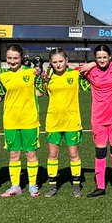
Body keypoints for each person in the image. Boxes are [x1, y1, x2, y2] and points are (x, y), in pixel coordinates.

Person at [76, 44, 112, 197]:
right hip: (98, 119)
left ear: (110, 57)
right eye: (98, 58)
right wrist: (90, 64)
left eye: (104, 57)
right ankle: (100, 187)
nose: (101, 60)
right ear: (95, 58)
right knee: (100, 153)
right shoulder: (90, 71)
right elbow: (66, 69)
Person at [0, 43, 44, 197]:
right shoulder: (2, 76)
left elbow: (40, 93)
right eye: (9, 58)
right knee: (13, 155)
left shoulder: (31, 72)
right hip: (10, 121)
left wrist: (40, 76)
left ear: (22, 58)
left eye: (15, 58)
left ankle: (32, 185)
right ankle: (15, 186)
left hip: (29, 120)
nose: (12, 61)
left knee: (31, 154)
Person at [42, 48, 86, 197]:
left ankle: (76, 186)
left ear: (66, 61)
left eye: (61, 61)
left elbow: (93, 72)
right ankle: (53, 186)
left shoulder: (75, 74)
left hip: (72, 121)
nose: (58, 64)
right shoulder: (47, 77)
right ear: (51, 63)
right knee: (53, 154)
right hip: (53, 121)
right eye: (55, 62)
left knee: (73, 153)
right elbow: (40, 92)